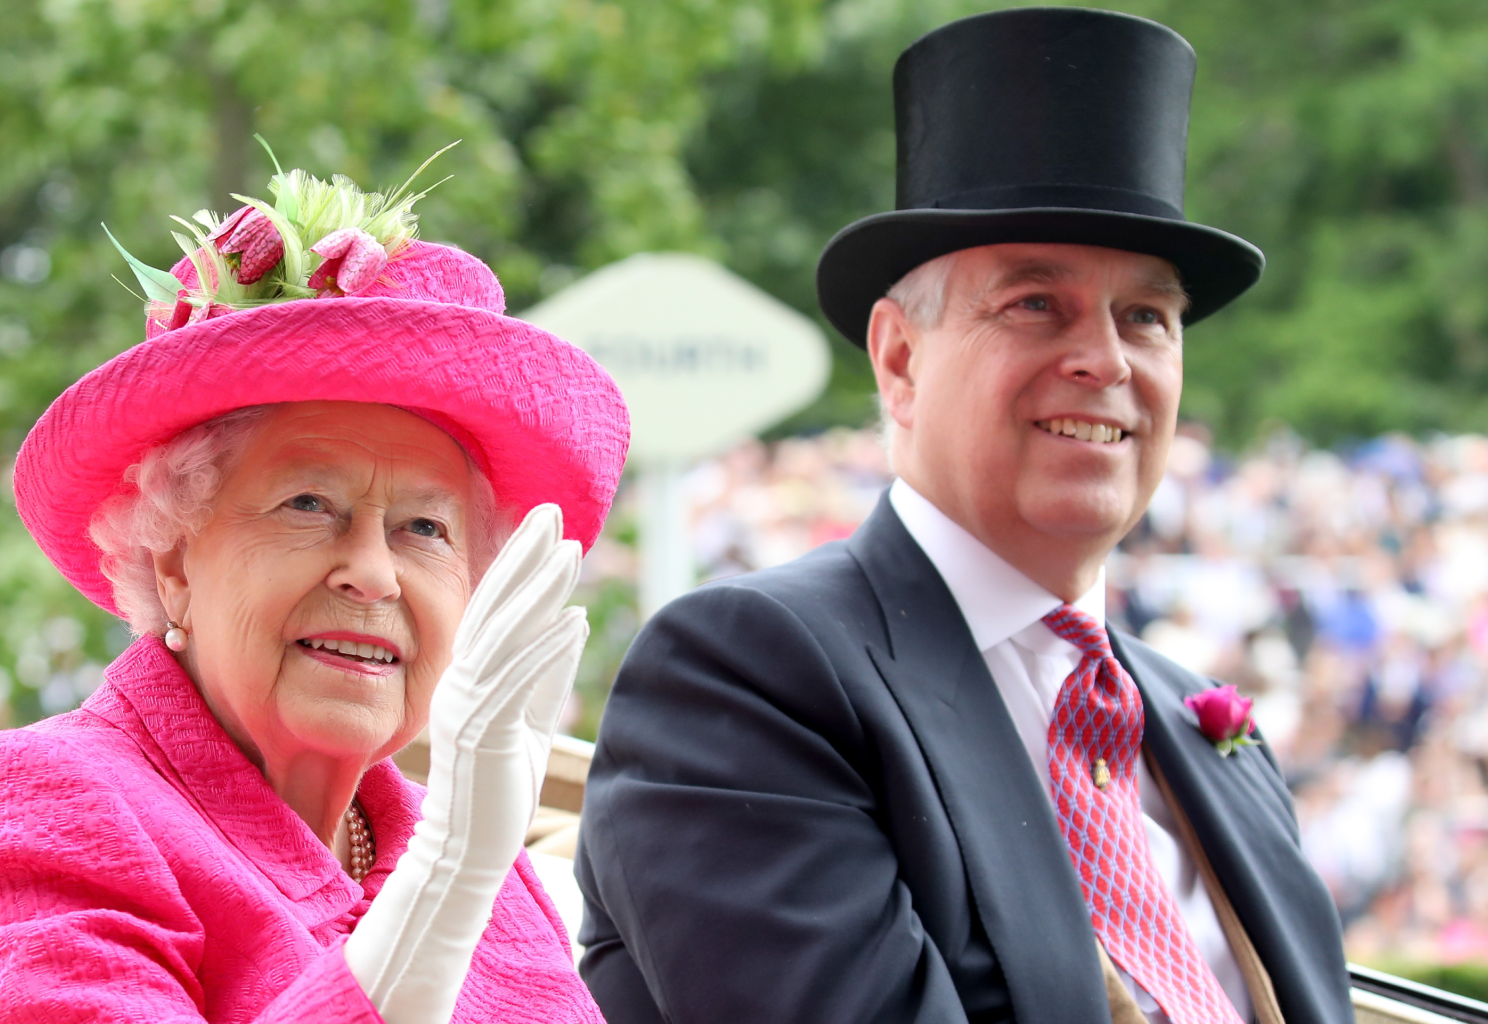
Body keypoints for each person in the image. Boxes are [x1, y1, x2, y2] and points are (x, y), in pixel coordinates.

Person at [576, 9, 1353, 1024]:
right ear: (900, 359)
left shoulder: (1204, 730)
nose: (1108, 361)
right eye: (1037, 303)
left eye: (1146, 317)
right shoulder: (751, 675)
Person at [0, 154, 629, 1023]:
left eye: (424, 529)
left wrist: (462, 861)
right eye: (308, 504)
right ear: (172, 560)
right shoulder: (30, 805)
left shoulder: (487, 863)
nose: (374, 572)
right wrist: (443, 883)